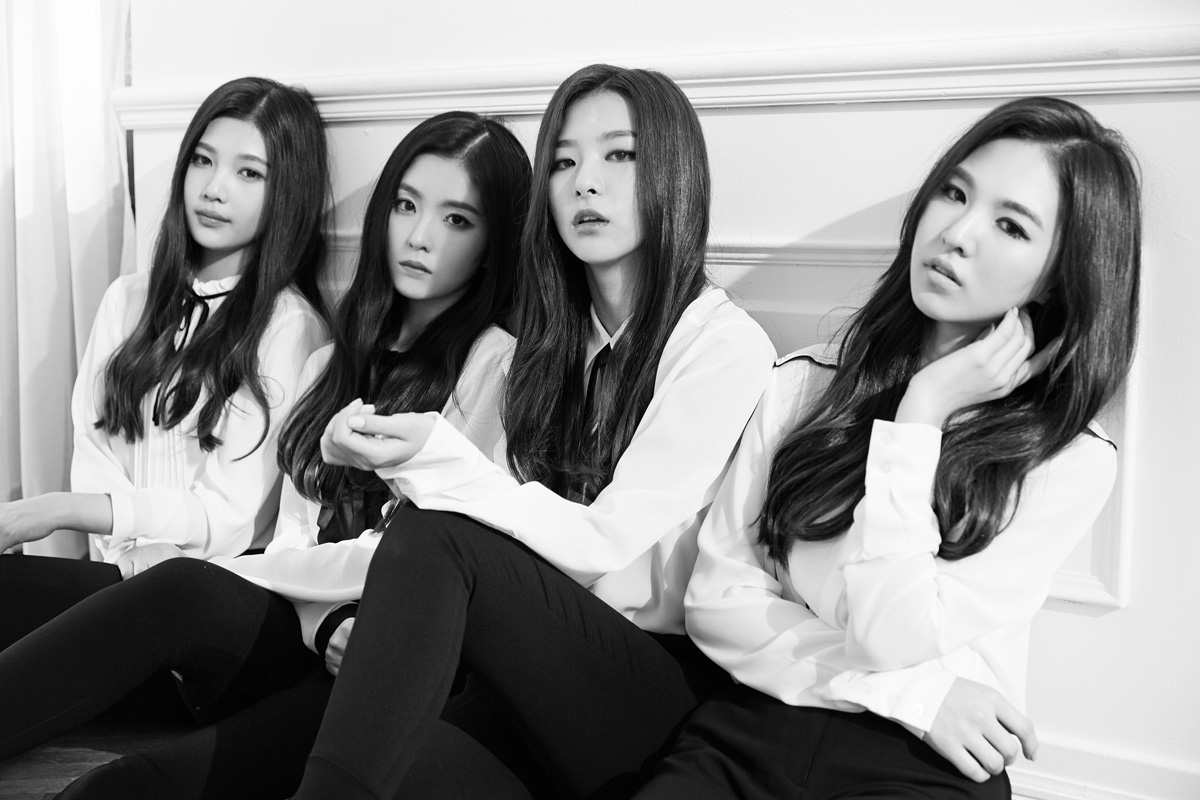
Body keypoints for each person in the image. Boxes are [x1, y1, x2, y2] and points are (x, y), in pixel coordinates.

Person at [0, 111, 531, 800]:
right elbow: (290, 544)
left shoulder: (499, 369)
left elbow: (438, 558)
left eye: (456, 220)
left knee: (124, 771)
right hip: (305, 635)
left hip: (389, 665)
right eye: (406, 205)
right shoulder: (330, 363)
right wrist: (323, 620)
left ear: (493, 244)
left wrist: (324, 609)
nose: (419, 236)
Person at [287, 63, 776, 800]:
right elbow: (499, 542)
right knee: (357, 749)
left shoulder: (723, 345)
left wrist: (433, 458)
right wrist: (387, 462)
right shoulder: (542, 352)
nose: (585, 184)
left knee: (433, 536)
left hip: (652, 688)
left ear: (673, 174)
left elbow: (605, 545)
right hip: (533, 664)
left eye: (620, 155)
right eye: (564, 162)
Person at [634, 97, 1141, 800]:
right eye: (954, 193)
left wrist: (921, 417)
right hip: (759, 726)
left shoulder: (1068, 461)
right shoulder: (806, 384)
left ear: (1060, 274)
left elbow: (891, 634)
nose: (956, 233)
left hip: (924, 766)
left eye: (1010, 225)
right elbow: (718, 602)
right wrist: (918, 696)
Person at [0, 76, 329, 649]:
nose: (214, 188)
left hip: (222, 598)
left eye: (249, 173)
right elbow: (95, 449)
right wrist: (131, 546)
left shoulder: (289, 326)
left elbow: (228, 516)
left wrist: (58, 510)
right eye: (203, 160)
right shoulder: (127, 299)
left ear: (288, 192)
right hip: (121, 571)